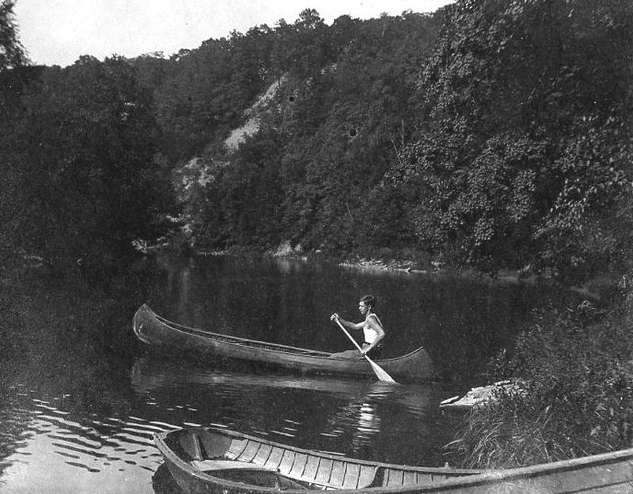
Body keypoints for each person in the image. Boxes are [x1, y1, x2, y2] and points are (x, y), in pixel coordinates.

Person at [330, 295, 385, 359]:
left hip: (370, 352)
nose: (359, 308)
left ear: (369, 307)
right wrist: (339, 319)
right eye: (359, 306)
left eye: (362, 306)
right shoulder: (369, 319)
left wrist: (369, 348)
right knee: (344, 354)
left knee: (334, 356)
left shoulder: (371, 319)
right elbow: (355, 326)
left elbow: (382, 333)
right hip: (370, 351)